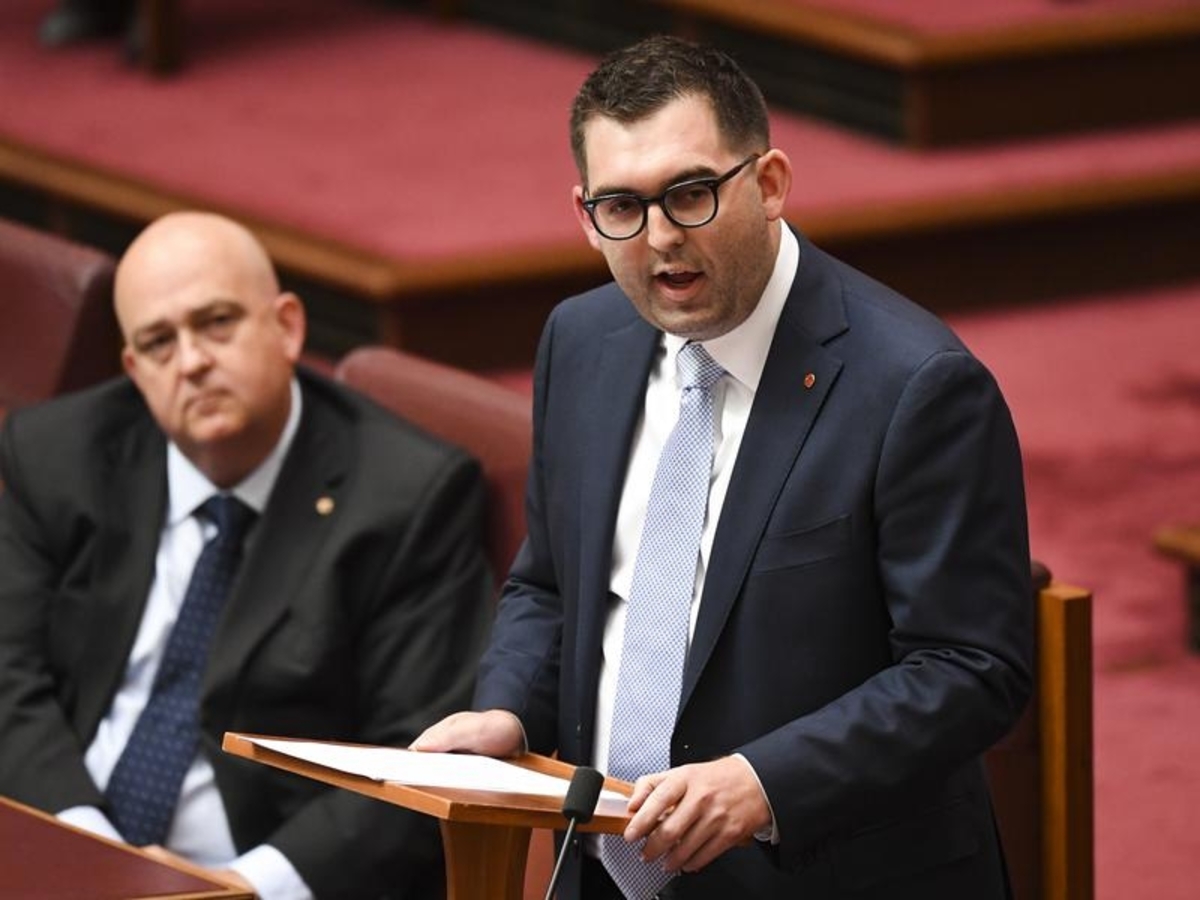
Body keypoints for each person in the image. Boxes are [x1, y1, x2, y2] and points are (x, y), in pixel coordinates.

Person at [413, 34, 1034, 900]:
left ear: (769, 183)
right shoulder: (581, 340)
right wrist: (507, 710)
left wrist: (764, 782)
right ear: (585, 215)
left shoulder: (916, 385)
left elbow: (970, 668)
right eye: (622, 207)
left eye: (690, 194)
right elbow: (551, 585)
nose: (661, 238)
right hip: (599, 868)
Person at [0, 211, 495, 899]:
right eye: (159, 343)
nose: (192, 362)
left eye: (216, 323)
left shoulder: (405, 498)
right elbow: (8, 673)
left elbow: (416, 756)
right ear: (134, 369)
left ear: (287, 327)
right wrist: (88, 850)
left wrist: (244, 888)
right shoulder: (58, 453)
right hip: (68, 844)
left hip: (254, 873)